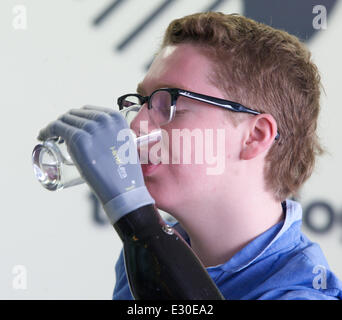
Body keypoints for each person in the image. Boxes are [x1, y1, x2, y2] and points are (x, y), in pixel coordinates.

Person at [38, 12, 342, 300]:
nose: (135, 124)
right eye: (143, 102)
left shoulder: (301, 292)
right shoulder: (149, 255)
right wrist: (143, 234)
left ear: (255, 136)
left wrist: (138, 219)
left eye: (169, 102)